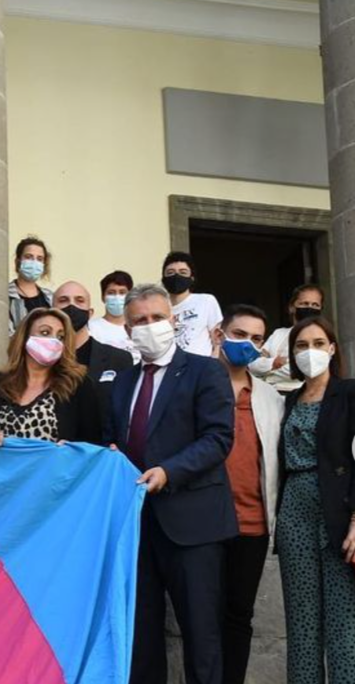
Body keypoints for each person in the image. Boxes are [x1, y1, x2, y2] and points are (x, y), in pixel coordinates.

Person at [108, 283, 235, 684]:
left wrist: (169, 471)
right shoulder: (121, 383)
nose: (150, 327)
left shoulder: (205, 371)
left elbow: (218, 438)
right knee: (141, 637)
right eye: (140, 321)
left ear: (174, 320)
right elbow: (116, 440)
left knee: (201, 635)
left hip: (192, 524)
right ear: (127, 331)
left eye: (157, 318)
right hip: (137, 526)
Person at [275, 316, 355, 683]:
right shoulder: (288, 399)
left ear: (333, 348)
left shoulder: (350, 393)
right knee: (302, 620)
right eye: (302, 345)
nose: (311, 351)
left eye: (318, 343)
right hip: (295, 512)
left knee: (344, 620)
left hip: (339, 512)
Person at [212, 305, 283, 684]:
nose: (248, 344)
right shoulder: (198, 387)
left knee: (239, 617)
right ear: (220, 335)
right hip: (205, 524)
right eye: (240, 335)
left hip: (252, 526)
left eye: (257, 339)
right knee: (203, 616)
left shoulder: (272, 399)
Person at [0, 308, 103, 447]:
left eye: (60, 336)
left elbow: (93, 443)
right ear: (24, 337)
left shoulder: (77, 385)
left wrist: (73, 448)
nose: (53, 340)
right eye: (45, 332)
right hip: (3, 467)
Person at [52, 280, 134, 425]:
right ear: (52, 310)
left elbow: (125, 412)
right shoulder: (41, 357)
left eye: (80, 301)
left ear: (90, 313)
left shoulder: (119, 359)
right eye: (63, 300)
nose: (72, 306)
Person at [253, 283, 324, 393]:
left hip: (301, 394)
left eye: (315, 305)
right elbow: (253, 364)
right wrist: (274, 363)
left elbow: (306, 368)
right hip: (271, 395)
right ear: (292, 307)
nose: (310, 307)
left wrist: (267, 375)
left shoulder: (322, 337)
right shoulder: (278, 333)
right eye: (305, 303)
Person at [162, 251, 222, 357]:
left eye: (183, 272)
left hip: (201, 368)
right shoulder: (158, 308)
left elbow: (217, 340)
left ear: (192, 278)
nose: (176, 276)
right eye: (170, 272)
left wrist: (214, 363)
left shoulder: (206, 301)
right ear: (163, 279)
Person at [89, 270, 139, 361]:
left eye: (122, 292)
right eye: (111, 293)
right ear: (103, 297)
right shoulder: (91, 328)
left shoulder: (139, 327)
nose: (117, 297)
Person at [7, 236, 52, 333]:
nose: (34, 262)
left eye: (39, 259)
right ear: (18, 261)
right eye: (28, 257)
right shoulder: (5, 295)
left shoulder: (50, 298)